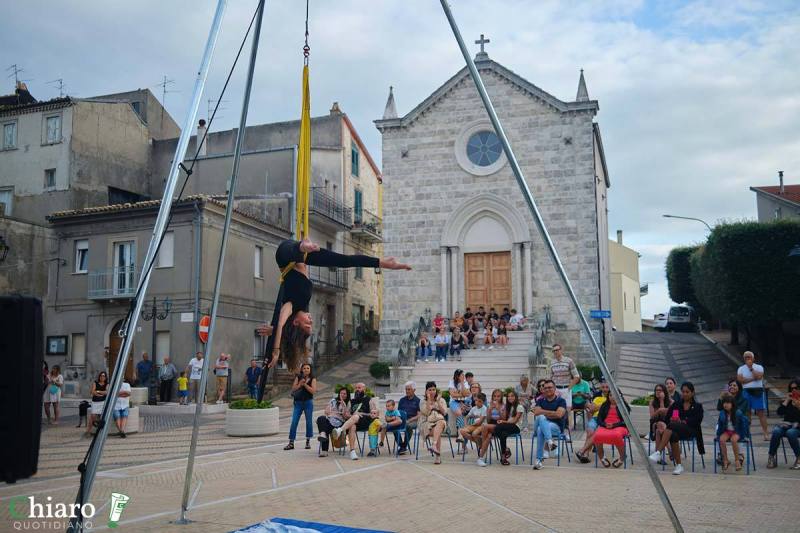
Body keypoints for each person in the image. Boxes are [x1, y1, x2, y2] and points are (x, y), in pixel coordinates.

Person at [264, 238, 410, 375]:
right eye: (311, 324)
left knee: (299, 250)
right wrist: (277, 330)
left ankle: (302, 246)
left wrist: (276, 351)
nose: (311, 320)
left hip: (285, 254)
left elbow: (282, 323)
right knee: (345, 261)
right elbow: (284, 328)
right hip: (302, 257)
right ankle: (385, 263)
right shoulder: (302, 307)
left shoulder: (290, 306)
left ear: (296, 322)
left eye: (307, 324)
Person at [649, 381, 704, 475]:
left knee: (672, 425)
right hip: (677, 429)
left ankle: (658, 452)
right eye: (683, 392)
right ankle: (679, 466)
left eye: (687, 392)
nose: (685, 394)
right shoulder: (677, 404)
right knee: (673, 434)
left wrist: (683, 421)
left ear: (692, 393)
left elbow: (697, 420)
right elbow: (667, 419)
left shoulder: (698, 406)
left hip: (691, 430)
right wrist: (672, 418)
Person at [585, 394, 630, 468]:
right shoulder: (604, 405)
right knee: (597, 435)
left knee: (616, 435)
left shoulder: (623, 406)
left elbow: (626, 421)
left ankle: (622, 457)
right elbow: (599, 419)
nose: (612, 397)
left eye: (614, 395)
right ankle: (602, 458)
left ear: (620, 396)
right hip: (605, 425)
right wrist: (605, 424)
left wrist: (614, 425)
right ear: (608, 396)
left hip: (620, 426)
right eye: (611, 395)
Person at [532, 380, 567, 469]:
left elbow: (559, 414)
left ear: (555, 388)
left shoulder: (561, 401)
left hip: (556, 428)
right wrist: (552, 413)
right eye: (545, 388)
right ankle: (550, 441)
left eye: (550, 387)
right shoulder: (540, 401)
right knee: (541, 418)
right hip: (542, 426)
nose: (547, 389)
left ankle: (539, 460)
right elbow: (536, 412)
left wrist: (543, 412)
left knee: (541, 428)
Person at [766, 379, 800, 469]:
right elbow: (779, 412)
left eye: (796, 388)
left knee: (791, 433)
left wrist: (798, 406)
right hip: (787, 425)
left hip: (798, 426)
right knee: (776, 431)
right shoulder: (789, 401)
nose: (793, 390)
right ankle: (771, 457)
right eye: (791, 388)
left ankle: (799, 458)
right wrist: (786, 400)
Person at [575, 381, 611, 462]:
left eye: (607, 387)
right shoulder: (597, 398)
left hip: (605, 420)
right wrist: (603, 406)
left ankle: (583, 452)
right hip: (595, 418)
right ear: (600, 388)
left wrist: (598, 407)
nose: (605, 389)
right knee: (590, 431)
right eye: (603, 387)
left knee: (595, 432)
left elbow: (609, 409)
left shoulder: (612, 398)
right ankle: (585, 454)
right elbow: (592, 409)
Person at [737, 351, 769, 440]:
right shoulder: (741, 368)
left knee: (761, 413)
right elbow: (740, 380)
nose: (747, 358)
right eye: (746, 357)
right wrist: (752, 378)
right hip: (746, 391)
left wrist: (751, 368)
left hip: (758, 391)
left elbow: (759, 377)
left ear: (753, 358)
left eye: (749, 357)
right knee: (747, 413)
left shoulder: (759, 367)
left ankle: (766, 433)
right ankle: (747, 433)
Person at [285, 363, 317, 450]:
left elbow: (313, 391)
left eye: (308, 368)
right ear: (301, 369)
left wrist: (305, 385)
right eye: (304, 368)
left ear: (310, 370)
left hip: (308, 402)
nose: (306, 370)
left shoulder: (313, 379)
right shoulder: (298, 377)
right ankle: (291, 442)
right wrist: (300, 384)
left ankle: (308, 441)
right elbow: (293, 389)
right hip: (298, 402)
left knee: (309, 422)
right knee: (294, 421)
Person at [717, 393, 748, 472]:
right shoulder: (722, 413)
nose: (725, 405)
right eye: (724, 403)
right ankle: (725, 460)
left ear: (732, 404)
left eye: (728, 403)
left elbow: (743, 425)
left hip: (737, 431)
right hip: (727, 431)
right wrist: (718, 434)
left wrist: (743, 435)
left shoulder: (738, 413)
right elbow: (720, 425)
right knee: (721, 440)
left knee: (733, 440)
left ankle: (737, 460)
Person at [317, 388, 351, 458]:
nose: (342, 395)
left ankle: (324, 451)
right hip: (330, 419)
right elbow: (326, 411)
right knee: (321, 418)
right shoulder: (333, 401)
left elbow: (346, 417)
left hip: (340, 424)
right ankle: (323, 434)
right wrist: (328, 412)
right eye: (341, 393)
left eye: (344, 394)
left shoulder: (348, 403)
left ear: (347, 395)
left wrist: (344, 406)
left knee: (325, 427)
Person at [419, 381, 448, 464]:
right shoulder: (422, 401)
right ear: (426, 391)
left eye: (433, 389)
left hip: (440, 422)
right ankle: (437, 456)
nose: (432, 391)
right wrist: (428, 399)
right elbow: (427, 412)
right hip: (427, 423)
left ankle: (434, 445)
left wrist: (438, 402)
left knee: (440, 422)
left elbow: (444, 412)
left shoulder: (441, 400)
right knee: (437, 431)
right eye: (430, 390)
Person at [495, 390, 524, 465]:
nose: (510, 398)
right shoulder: (508, 407)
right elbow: (503, 418)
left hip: (516, 427)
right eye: (508, 396)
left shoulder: (519, 407)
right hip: (508, 426)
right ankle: (504, 456)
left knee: (498, 427)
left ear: (516, 397)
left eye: (512, 396)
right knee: (503, 434)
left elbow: (514, 421)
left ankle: (504, 451)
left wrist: (503, 422)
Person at [476, 389, 505, 467]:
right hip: (491, 424)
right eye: (494, 396)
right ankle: (481, 458)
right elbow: (488, 420)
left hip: (500, 424)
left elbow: (503, 418)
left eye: (498, 396)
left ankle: (481, 450)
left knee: (484, 426)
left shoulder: (503, 405)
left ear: (501, 397)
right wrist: (490, 410)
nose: (496, 398)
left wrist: (498, 409)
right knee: (488, 437)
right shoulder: (490, 405)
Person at [550, 344, 580, 411]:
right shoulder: (552, 362)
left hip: (566, 388)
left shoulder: (569, 361)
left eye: (557, 350)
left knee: (567, 410)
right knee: (555, 410)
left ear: (561, 350)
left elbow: (576, 376)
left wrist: (568, 389)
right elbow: (550, 377)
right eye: (554, 350)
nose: (555, 352)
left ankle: (568, 422)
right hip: (556, 389)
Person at [397, 381, 421, 455]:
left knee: (408, 426)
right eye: (406, 389)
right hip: (401, 420)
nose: (407, 391)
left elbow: (419, 415)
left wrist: (409, 420)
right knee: (394, 428)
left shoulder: (418, 401)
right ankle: (402, 445)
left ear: (414, 390)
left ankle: (404, 446)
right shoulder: (402, 400)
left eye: (409, 389)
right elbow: (398, 413)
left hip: (413, 421)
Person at [86, 371, 109, 436]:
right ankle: (88, 431)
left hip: (102, 402)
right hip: (95, 402)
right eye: (101, 375)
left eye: (104, 376)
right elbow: (92, 392)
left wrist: (98, 391)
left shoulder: (107, 384)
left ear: (105, 377)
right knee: (93, 416)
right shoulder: (95, 383)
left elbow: (106, 392)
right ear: (99, 376)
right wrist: (99, 393)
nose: (102, 377)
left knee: (100, 417)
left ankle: (99, 432)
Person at [448, 369, 469, 436]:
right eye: (461, 375)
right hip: (454, 402)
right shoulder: (452, 382)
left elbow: (466, 394)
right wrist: (462, 394)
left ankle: (460, 433)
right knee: (459, 413)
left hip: (463, 402)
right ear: (457, 376)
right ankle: (460, 433)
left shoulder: (465, 383)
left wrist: (462, 383)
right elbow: (452, 395)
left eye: (463, 375)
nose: (463, 376)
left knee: (461, 414)